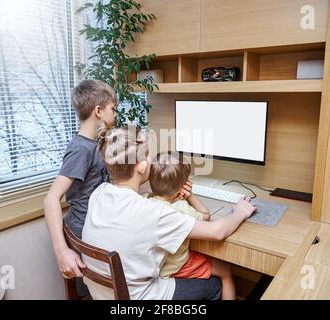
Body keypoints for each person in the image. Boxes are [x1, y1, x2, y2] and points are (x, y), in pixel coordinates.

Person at [81, 125, 256, 299]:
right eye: (148, 153)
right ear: (140, 166)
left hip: (102, 293)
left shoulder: (99, 192)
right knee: (216, 285)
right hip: (140, 297)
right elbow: (218, 232)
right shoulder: (154, 212)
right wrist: (240, 212)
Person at [43, 79, 117, 279]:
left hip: (97, 222)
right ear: (98, 111)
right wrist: (61, 252)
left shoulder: (95, 143)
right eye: (113, 108)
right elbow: (51, 199)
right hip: (86, 228)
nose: (115, 114)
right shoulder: (81, 149)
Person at [145, 151, 237, 300]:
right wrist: (190, 196)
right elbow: (205, 216)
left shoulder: (145, 200)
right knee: (226, 270)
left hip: (157, 267)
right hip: (176, 267)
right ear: (184, 185)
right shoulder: (181, 209)